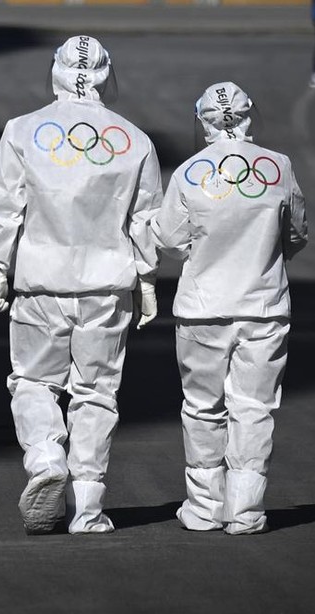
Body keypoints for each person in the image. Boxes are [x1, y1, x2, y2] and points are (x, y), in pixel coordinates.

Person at [0, 35, 162, 535]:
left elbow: (4, 209)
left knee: (33, 382)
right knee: (97, 393)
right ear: (108, 74)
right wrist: (147, 280)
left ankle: (44, 457)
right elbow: (146, 219)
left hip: (40, 280)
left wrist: (0, 270)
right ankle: (88, 507)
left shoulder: (22, 132)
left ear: (56, 71)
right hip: (107, 285)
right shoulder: (135, 140)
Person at [150, 82, 307, 535]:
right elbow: (296, 232)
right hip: (264, 305)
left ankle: (203, 507)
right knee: (254, 408)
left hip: (203, 307)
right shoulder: (278, 166)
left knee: (202, 408)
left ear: (203, 120)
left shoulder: (188, 171)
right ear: (248, 115)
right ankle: (245, 510)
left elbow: (170, 239)